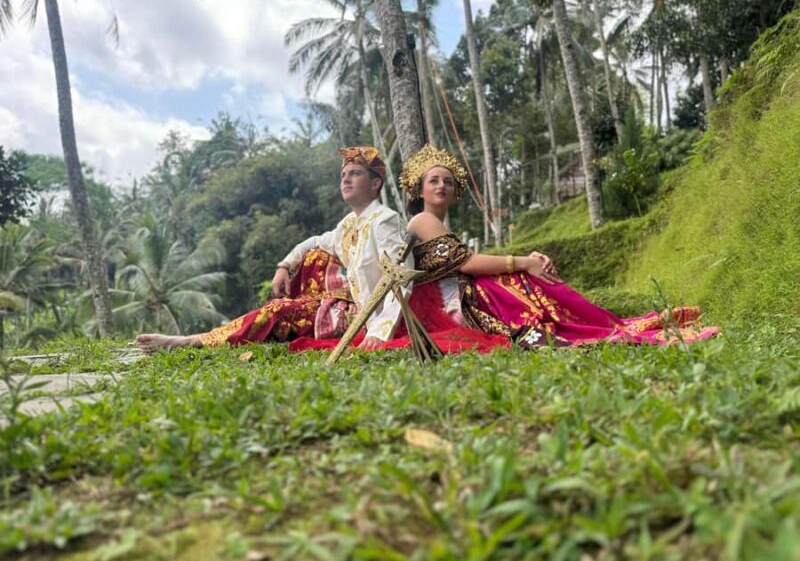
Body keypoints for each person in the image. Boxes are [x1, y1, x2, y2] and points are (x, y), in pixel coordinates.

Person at [396, 144, 720, 347]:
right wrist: (523, 262)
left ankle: (596, 323)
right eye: (434, 181)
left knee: (524, 278)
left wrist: (527, 262)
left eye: (448, 182)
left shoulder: (434, 223)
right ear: (419, 189)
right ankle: (597, 325)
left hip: (464, 296)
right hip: (454, 307)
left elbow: (465, 264)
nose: (442, 185)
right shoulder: (422, 220)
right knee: (519, 279)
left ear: (455, 192)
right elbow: (466, 264)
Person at [136, 146, 409, 352]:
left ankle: (192, 341)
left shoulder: (384, 220)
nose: (346, 180)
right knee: (312, 257)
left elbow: (401, 276)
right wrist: (284, 266)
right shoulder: (349, 224)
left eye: (355, 174)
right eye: (343, 175)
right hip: (347, 306)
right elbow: (313, 242)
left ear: (375, 184)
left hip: (367, 318)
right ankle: (208, 336)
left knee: (278, 311)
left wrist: (382, 330)